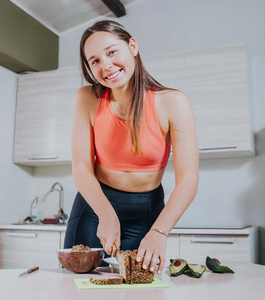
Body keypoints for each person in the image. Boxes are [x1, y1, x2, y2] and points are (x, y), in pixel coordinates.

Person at [63, 20, 199, 274]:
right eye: (94, 61)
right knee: (77, 285)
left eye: (112, 52)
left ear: (132, 46)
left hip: (146, 212)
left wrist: (159, 231)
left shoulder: (173, 103)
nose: (106, 66)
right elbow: (81, 168)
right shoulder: (85, 99)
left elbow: (188, 179)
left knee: (139, 287)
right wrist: (105, 213)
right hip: (95, 205)